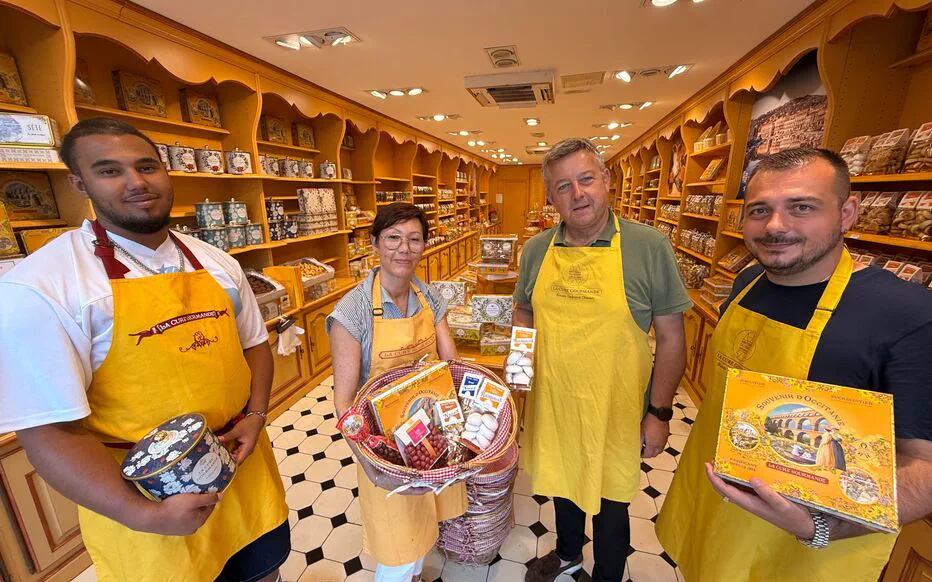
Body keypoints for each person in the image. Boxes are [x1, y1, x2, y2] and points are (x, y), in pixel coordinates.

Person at [0, 118, 289, 581]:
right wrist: (146, 516)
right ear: (79, 182)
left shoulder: (217, 262)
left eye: (147, 166)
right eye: (109, 171)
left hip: (242, 466)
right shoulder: (42, 288)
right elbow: (49, 434)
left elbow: (254, 346)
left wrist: (255, 417)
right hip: (142, 494)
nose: (136, 182)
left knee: (263, 572)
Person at [656, 148, 932, 581]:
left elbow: (926, 468)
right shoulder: (747, 282)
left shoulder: (908, 315)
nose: (775, 226)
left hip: (804, 555)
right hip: (717, 517)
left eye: (801, 207)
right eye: (760, 210)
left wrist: (819, 525)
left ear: (847, 213)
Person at [515, 138, 691, 582]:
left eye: (586, 179)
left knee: (612, 500)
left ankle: (609, 573)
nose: (578, 194)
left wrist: (659, 413)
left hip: (616, 407)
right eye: (563, 187)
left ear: (606, 180)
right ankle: (569, 553)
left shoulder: (647, 246)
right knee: (562, 484)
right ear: (550, 197)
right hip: (554, 400)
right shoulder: (537, 249)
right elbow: (524, 310)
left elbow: (671, 338)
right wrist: (518, 373)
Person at [328, 203, 466, 582]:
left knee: (424, 517)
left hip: (430, 431)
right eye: (393, 238)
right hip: (386, 442)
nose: (404, 248)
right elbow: (344, 402)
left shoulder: (427, 295)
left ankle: (417, 575)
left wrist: (465, 405)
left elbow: (449, 359)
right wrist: (376, 455)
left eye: (414, 239)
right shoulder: (352, 313)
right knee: (397, 535)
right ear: (374, 243)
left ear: (425, 245)